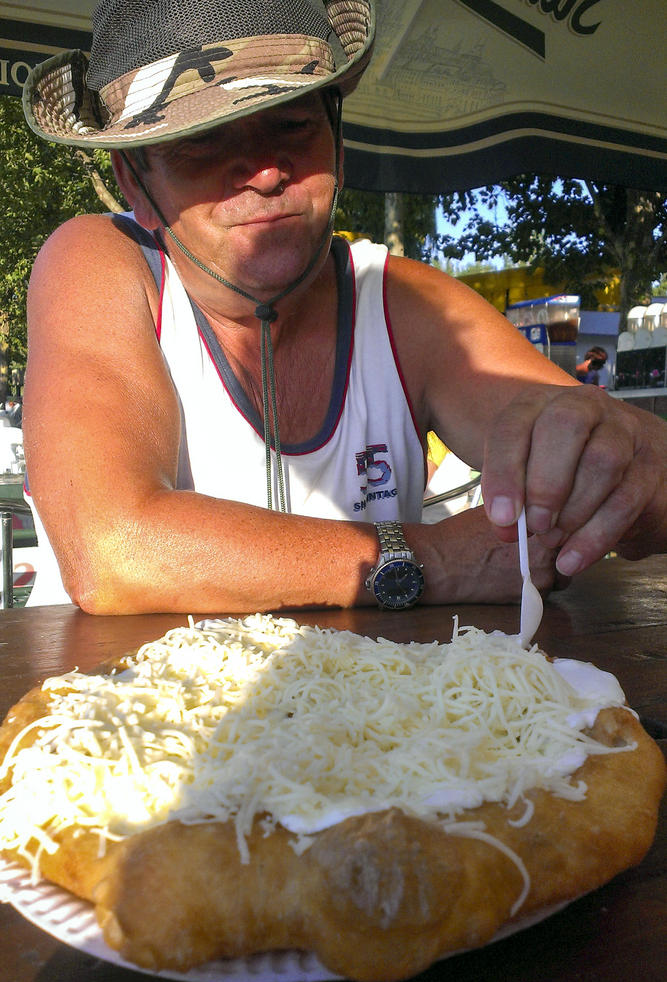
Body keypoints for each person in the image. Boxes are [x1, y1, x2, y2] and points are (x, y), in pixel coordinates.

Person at [21, 0, 667, 614]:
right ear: (133, 179)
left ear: (336, 134)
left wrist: (619, 463)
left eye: (293, 123)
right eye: (204, 139)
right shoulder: (97, 262)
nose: (265, 170)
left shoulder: (404, 305)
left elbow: (622, 470)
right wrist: (434, 559)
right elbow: (111, 550)